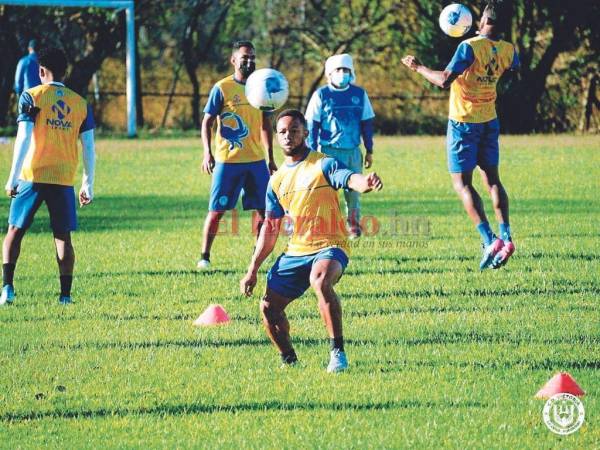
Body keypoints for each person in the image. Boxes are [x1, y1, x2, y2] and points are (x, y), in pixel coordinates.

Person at [240, 109, 383, 373]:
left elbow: (350, 178)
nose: (288, 136)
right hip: (297, 251)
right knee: (269, 308)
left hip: (331, 246)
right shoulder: (276, 181)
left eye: (294, 131)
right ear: (276, 137)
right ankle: (289, 361)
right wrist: (252, 270)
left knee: (320, 281)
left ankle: (337, 353)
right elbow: (270, 228)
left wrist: (366, 182)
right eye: (282, 132)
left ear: (305, 133)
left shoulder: (323, 164)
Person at [401, 1, 519, 270]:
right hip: (489, 119)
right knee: (493, 181)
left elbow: (444, 80)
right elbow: (514, 72)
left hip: (464, 122)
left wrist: (418, 67)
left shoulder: (468, 47)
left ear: (481, 21)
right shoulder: (509, 49)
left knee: (462, 184)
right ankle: (506, 236)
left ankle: (489, 240)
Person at [0, 47, 96, 306]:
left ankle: (7, 288)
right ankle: (65, 296)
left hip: (32, 174)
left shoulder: (31, 96)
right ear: (65, 71)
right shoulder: (80, 104)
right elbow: (88, 146)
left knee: (14, 231)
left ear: (41, 71)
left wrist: (12, 178)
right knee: (63, 237)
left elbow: (23, 138)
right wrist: (88, 182)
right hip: (63, 178)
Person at [197, 40, 276, 269]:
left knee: (264, 210)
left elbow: (265, 125)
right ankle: (204, 256)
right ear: (233, 60)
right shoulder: (222, 88)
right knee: (217, 211)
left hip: (256, 161)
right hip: (228, 162)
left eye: (252, 57)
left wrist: (270, 158)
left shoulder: (261, 88)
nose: (249, 61)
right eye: (244, 57)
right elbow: (207, 122)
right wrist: (207, 153)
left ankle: (257, 253)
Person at [305, 53, 375, 239]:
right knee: (325, 192)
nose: (342, 73)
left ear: (351, 72)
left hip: (352, 151)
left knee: (353, 192)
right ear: (329, 73)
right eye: (338, 70)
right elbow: (312, 125)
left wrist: (369, 150)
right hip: (328, 152)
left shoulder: (359, 95)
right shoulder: (321, 95)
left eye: (346, 70)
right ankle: (326, 226)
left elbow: (367, 123)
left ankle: (353, 226)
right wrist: (311, 153)